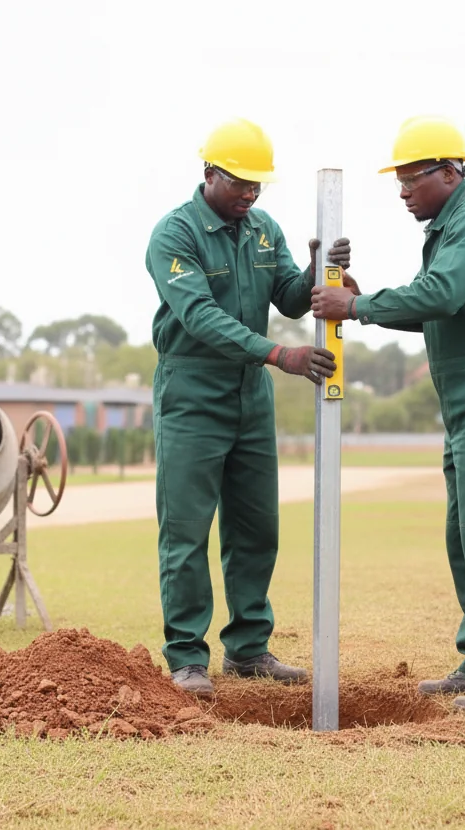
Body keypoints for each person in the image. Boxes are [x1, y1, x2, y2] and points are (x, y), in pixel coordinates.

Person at [310, 115, 465, 714]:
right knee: (464, 535)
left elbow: (441, 294)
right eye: (398, 181)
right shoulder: (449, 227)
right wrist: (362, 301)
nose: (401, 192)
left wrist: (358, 305)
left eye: (410, 179)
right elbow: (436, 308)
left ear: (449, 173)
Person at [145, 117, 353, 697]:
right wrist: (277, 355)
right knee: (186, 530)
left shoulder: (262, 228)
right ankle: (187, 657)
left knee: (257, 526)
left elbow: (288, 295)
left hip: (249, 397)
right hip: (192, 391)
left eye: (258, 183)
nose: (250, 193)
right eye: (239, 182)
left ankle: (248, 648)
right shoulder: (175, 235)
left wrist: (317, 269)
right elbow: (200, 317)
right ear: (209, 174)